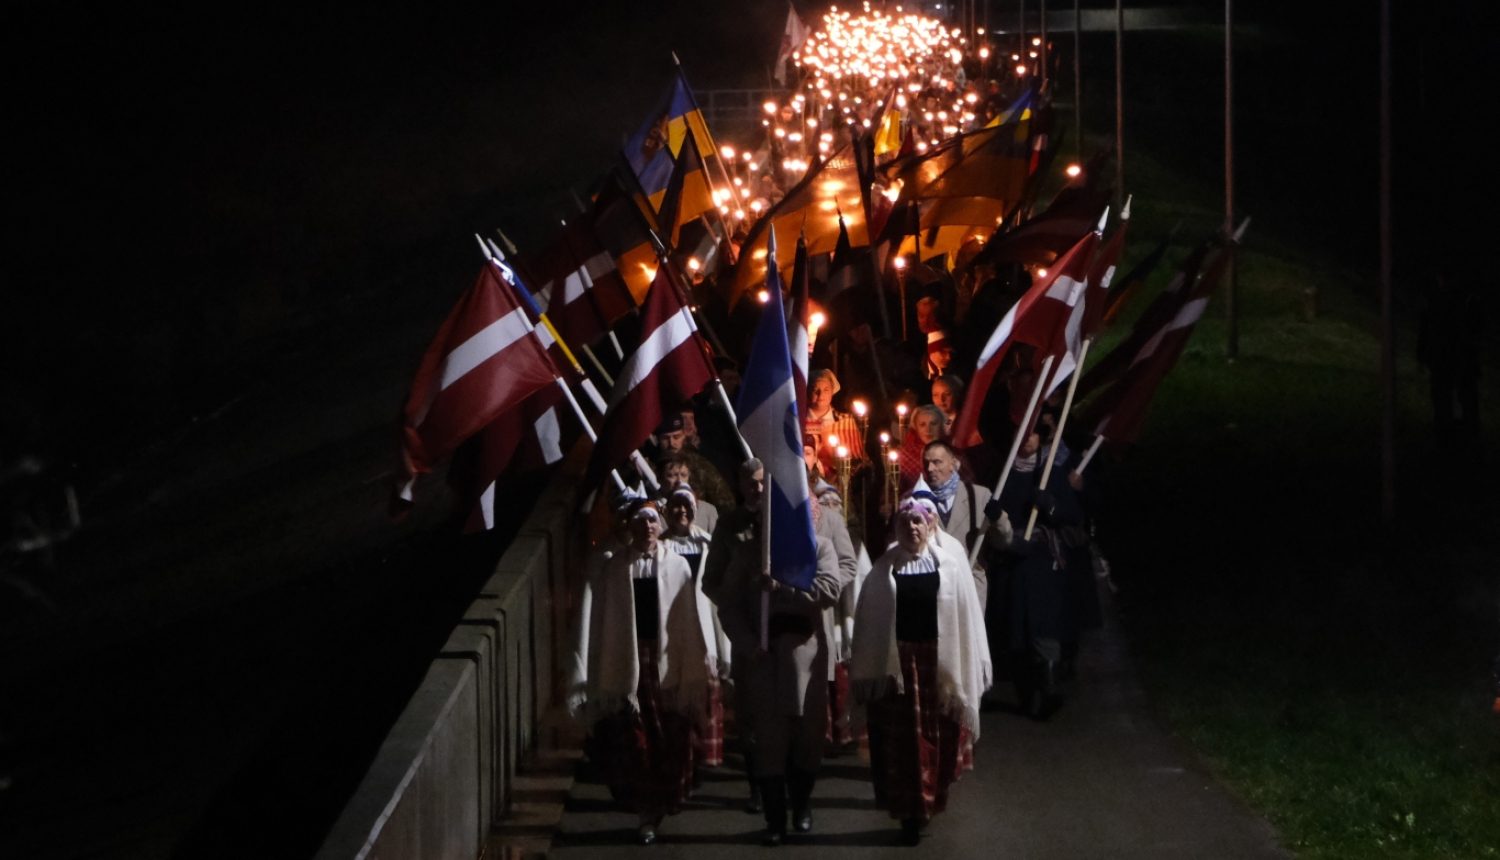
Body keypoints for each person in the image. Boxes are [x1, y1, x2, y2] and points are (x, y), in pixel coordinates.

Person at [703, 459, 849, 845]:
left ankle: (801, 804)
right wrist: (748, 643)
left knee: (806, 741)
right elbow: (728, 604)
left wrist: (783, 589)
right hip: (762, 662)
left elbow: (830, 589)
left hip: (806, 661)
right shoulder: (751, 554)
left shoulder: (820, 548)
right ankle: (774, 820)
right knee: (767, 741)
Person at [568, 500, 711, 845]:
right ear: (629, 526)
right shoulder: (616, 568)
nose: (647, 527)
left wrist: (693, 664)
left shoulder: (678, 566)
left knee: (670, 739)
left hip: (666, 664)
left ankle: (660, 805)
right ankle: (645, 813)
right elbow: (604, 621)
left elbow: (689, 620)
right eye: (640, 521)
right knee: (636, 741)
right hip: (630, 666)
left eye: (652, 520)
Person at [852, 499, 991, 845]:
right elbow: (868, 625)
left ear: (929, 527)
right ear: (896, 530)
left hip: (937, 666)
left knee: (934, 738)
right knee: (902, 744)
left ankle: (929, 801)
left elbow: (963, 621)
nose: (912, 527)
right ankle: (908, 813)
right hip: (897, 669)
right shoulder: (882, 571)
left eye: (918, 521)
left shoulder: (949, 569)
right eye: (905, 522)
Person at [983, 423, 1085, 719]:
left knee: (1043, 625)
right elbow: (989, 509)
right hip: (1010, 560)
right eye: (1020, 434)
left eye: (1032, 434)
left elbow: (1074, 513)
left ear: (1040, 439)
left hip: (1042, 563)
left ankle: (1049, 692)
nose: (1025, 440)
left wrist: (1051, 505)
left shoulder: (1048, 473)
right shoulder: (1001, 473)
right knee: (1015, 630)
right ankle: (1025, 696)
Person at [662, 486, 733, 768]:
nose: (681, 511)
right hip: (674, 625)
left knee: (707, 692)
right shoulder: (662, 547)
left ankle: (707, 753)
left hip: (705, 626)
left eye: (686, 506)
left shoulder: (709, 545)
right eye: (676, 506)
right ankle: (681, 754)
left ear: (695, 509)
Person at [915, 440, 1001, 610]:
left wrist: (998, 518)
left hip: (968, 585)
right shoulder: (915, 500)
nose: (930, 468)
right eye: (927, 463)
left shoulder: (979, 495)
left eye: (937, 462)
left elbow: (1002, 541)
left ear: (952, 464)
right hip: (932, 587)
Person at [654, 414, 735, 513]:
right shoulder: (646, 464)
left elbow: (725, 502)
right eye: (665, 438)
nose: (672, 443)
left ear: (684, 435)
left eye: (676, 437)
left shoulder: (699, 465)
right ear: (657, 439)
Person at [658, 454, 719, 533]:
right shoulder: (653, 511)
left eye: (683, 475)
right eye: (672, 475)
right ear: (660, 479)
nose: (679, 480)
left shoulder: (707, 510)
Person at [897, 404, 947, 490]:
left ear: (941, 426)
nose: (928, 430)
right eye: (922, 425)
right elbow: (891, 490)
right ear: (916, 428)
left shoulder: (954, 453)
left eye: (933, 424)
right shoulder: (904, 456)